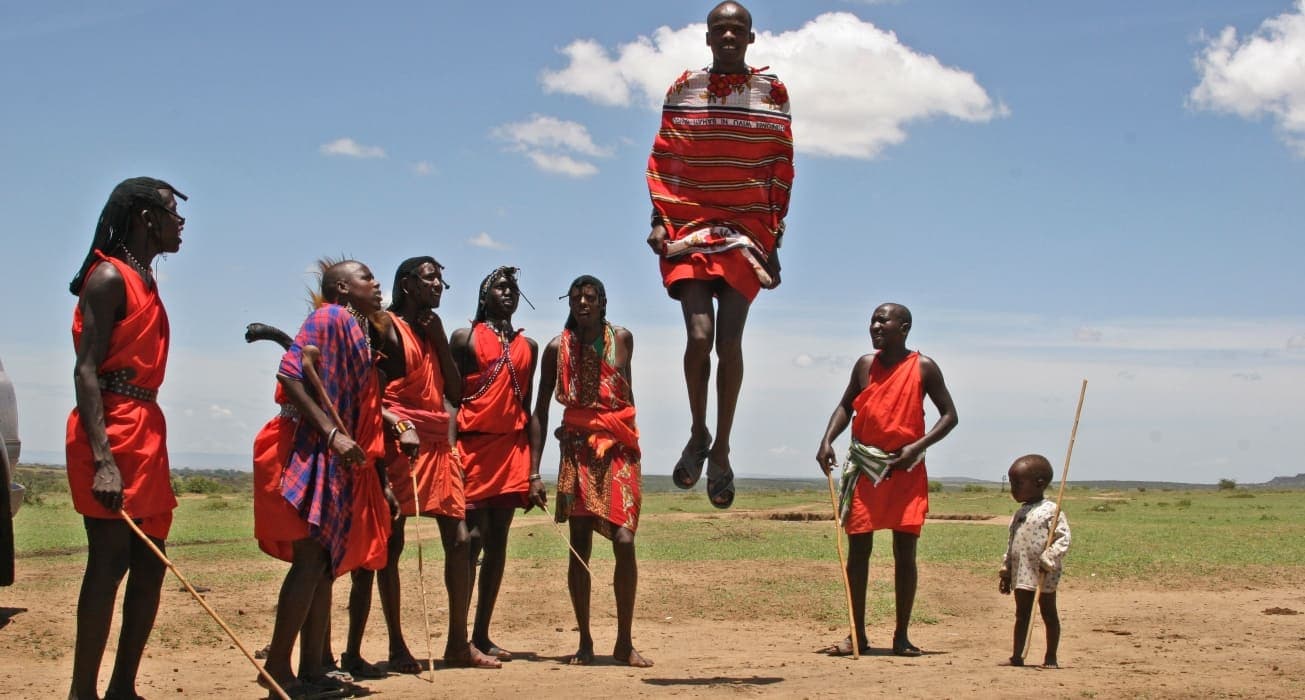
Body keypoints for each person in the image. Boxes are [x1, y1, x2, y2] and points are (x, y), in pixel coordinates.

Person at [646, 1, 794, 509]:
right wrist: (658, 220)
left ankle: (723, 449)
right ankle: (698, 432)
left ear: (750, 38)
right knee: (699, 336)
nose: (728, 36)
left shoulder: (771, 93)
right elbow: (666, 160)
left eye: (737, 29)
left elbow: (778, 168)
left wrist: (774, 241)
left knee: (728, 343)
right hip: (689, 227)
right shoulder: (684, 89)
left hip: (746, 233)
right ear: (708, 37)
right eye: (720, 29)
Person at [341, 256, 500, 674]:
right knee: (390, 545)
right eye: (430, 278)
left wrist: (439, 339)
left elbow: (454, 392)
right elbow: (370, 393)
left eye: (441, 279)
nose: (438, 285)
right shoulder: (383, 327)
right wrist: (396, 426)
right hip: (398, 441)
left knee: (460, 540)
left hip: (437, 443)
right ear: (407, 284)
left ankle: (457, 644)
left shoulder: (432, 330)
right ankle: (397, 646)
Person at [64, 177, 187, 700]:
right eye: (173, 213)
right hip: (111, 429)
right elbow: (86, 370)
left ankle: (123, 689)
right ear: (146, 218)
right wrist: (104, 460)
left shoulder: (144, 279)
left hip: (145, 429)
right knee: (108, 561)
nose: (180, 224)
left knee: (151, 565)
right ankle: (82, 693)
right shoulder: (110, 276)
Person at [255, 259, 399, 696]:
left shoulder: (355, 328)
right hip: (305, 447)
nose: (376, 283)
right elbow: (290, 373)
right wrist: (333, 434)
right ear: (342, 287)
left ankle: (313, 668)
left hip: (333, 454)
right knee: (310, 559)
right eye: (366, 277)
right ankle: (278, 671)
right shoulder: (329, 317)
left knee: (321, 564)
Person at [816, 303, 958, 657]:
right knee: (858, 552)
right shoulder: (865, 365)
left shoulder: (923, 367)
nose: (875, 326)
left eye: (883, 320)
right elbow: (846, 406)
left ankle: (901, 636)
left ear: (904, 327)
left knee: (905, 553)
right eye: (872, 321)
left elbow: (949, 416)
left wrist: (917, 447)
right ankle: (857, 634)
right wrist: (827, 439)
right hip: (866, 468)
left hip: (905, 469)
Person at [530, 275, 653, 668]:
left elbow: (626, 393)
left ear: (602, 301)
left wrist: (627, 435)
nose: (582, 303)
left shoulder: (623, 339)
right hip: (577, 450)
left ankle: (624, 642)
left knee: (625, 540)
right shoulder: (556, 348)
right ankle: (585, 641)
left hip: (617, 448)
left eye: (589, 297)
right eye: (576, 298)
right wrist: (533, 472)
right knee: (579, 543)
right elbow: (540, 410)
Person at [450, 266, 543, 660]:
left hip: (511, 451)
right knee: (471, 539)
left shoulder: (529, 346)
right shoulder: (465, 337)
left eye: (513, 289)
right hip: (471, 448)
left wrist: (534, 470)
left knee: (498, 542)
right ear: (484, 294)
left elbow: (528, 407)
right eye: (501, 287)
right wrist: (450, 451)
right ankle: (459, 639)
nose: (508, 293)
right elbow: (451, 399)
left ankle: (482, 634)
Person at [1000, 454, 1071, 668]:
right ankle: (1017, 655)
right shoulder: (1020, 512)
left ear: (1039, 483)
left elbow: (1063, 539)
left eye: (1018, 484)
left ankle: (1051, 656)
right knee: (1021, 615)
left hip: (1043, 573)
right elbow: (1012, 543)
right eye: (1011, 483)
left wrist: (1049, 558)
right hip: (1021, 572)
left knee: (1049, 614)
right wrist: (1006, 571)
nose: (1013, 489)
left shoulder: (1051, 511)